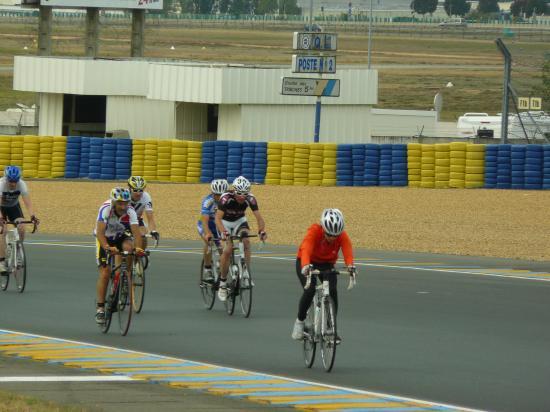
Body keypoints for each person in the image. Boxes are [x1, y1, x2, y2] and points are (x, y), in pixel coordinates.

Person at [291, 208, 356, 342]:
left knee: (332, 290)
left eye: (335, 235)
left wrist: (350, 266)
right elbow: (306, 248)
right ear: (323, 229)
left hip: (326, 264)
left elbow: (347, 248)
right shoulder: (314, 231)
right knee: (309, 290)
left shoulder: (342, 236)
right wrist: (305, 265)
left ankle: (330, 327)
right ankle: (299, 322)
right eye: (329, 235)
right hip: (307, 262)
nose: (332, 238)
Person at [94, 187, 144, 324]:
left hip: (121, 236)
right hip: (105, 238)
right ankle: (100, 308)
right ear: (114, 202)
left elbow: (136, 233)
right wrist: (107, 247)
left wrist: (139, 248)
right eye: (120, 203)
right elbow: (99, 233)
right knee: (105, 272)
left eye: (125, 203)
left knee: (129, 248)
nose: (123, 206)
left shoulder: (130, 211)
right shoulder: (105, 209)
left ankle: (123, 275)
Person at [215, 176, 267, 302]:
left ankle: (245, 272)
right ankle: (222, 283)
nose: (242, 197)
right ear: (234, 191)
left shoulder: (251, 198)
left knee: (246, 240)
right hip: (225, 223)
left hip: (239, 221)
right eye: (239, 194)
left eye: (245, 194)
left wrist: (261, 231)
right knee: (227, 250)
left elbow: (259, 218)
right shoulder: (225, 198)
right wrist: (224, 232)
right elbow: (217, 219)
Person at [0, 166, 39, 273]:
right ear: (6, 178)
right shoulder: (1, 184)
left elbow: (28, 203)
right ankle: (1, 262)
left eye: (15, 181)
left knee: (21, 227)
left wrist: (32, 216)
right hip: (1, 208)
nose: (13, 184)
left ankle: (17, 251)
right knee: (2, 231)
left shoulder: (22, 184)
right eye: (11, 181)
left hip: (13, 207)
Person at [197, 179, 228, 280]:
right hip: (206, 224)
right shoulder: (208, 201)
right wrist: (207, 234)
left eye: (221, 195)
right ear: (212, 193)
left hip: (218, 224)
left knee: (222, 248)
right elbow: (204, 220)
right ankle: (207, 269)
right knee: (209, 242)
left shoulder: (228, 201)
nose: (219, 197)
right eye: (217, 195)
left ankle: (220, 263)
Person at [127, 176, 159, 249]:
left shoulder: (146, 197)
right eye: (135, 190)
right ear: (129, 189)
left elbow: (150, 217)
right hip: (122, 219)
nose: (138, 193)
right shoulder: (125, 195)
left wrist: (153, 231)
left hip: (136, 219)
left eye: (141, 190)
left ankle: (139, 256)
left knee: (143, 237)